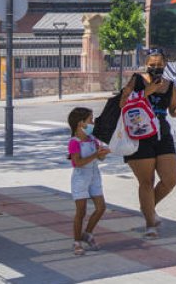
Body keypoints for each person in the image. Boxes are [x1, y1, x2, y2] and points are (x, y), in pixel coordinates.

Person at [121, 48, 176, 239]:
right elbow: (123, 101)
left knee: (170, 179)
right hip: (140, 132)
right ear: (146, 64)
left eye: (159, 65)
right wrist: (146, 92)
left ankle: (147, 206)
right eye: (152, 65)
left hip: (162, 133)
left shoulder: (170, 85)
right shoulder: (137, 80)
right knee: (147, 181)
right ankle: (150, 223)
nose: (156, 69)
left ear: (165, 65)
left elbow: (172, 109)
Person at [67, 106, 109, 255]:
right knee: (81, 211)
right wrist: (96, 155)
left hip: (94, 175)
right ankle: (77, 241)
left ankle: (88, 233)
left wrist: (103, 153)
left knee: (101, 207)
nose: (93, 122)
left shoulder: (93, 139)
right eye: (90, 119)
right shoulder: (74, 142)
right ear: (81, 123)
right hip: (80, 177)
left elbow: (101, 156)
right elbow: (77, 162)